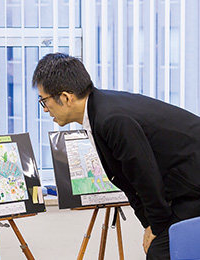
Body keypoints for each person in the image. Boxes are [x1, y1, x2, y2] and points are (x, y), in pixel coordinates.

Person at [33, 53, 200, 259]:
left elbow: (145, 177)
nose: (46, 109)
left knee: (161, 252)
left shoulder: (111, 119)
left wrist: (156, 227)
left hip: (193, 182)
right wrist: (148, 224)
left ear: (66, 97)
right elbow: (128, 180)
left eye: (44, 100)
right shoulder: (99, 110)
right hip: (185, 183)